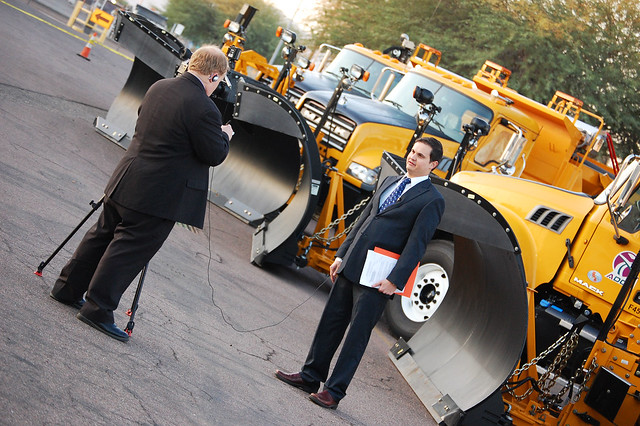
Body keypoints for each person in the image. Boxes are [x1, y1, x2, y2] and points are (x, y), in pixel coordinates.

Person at [49, 45, 233, 342]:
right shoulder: (205, 109)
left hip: (126, 177)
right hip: (157, 195)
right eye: (219, 81)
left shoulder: (159, 87)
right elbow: (213, 153)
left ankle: (66, 288)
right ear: (214, 75)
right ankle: (97, 308)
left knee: (101, 236)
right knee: (127, 250)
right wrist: (225, 135)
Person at [275, 137, 445, 409]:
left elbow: (417, 245)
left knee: (356, 337)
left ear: (433, 164)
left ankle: (334, 391)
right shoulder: (391, 182)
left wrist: (395, 281)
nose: (412, 157)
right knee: (330, 323)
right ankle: (310, 376)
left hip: (379, 279)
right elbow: (365, 217)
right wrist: (341, 254)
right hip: (353, 263)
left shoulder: (432, 200)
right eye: (412, 151)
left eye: (421, 156)